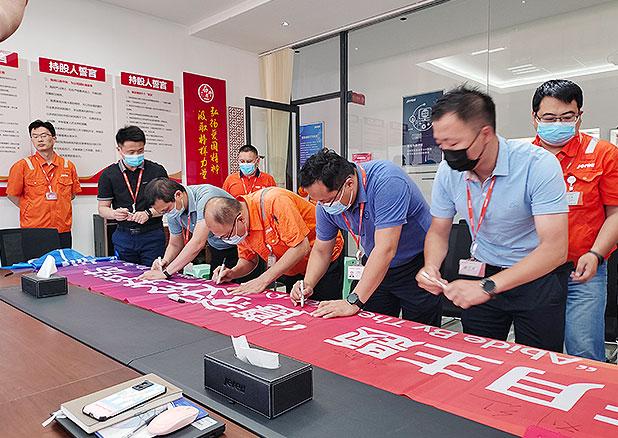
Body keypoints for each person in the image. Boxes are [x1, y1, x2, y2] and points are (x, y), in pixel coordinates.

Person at [416, 85, 570, 352]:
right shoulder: (448, 172)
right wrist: (431, 266)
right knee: (480, 356)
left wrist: (487, 287)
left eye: (454, 144)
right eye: (441, 144)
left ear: (485, 134)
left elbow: (555, 250)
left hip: (535, 276)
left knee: (538, 361)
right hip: (482, 271)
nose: (448, 153)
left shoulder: (538, 165)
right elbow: (439, 231)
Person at [292, 149, 441, 323]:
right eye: (317, 201)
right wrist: (308, 283)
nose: (322, 206)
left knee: (419, 329)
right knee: (369, 324)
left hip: (417, 262)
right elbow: (321, 250)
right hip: (375, 263)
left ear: (349, 184)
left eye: (326, 200)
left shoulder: (387, 181)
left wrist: (352, 301)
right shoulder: (325, 205)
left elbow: (386, 249)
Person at [531, 79, 618, 361]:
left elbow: (615, 213)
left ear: (579, 116)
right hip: (535, 270)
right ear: (535, 118)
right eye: (549, 118)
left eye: (567, 117)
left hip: (583, 271)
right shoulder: (524, 158)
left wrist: (596, 254)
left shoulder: (603, 154)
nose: (558, 124)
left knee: (583, 351)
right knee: (537, 350)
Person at [204, 187, 345, 298]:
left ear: (241, 220)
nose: (227, 240)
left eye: (227, 235)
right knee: (298, 310)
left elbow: (301, 247)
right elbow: (249, 260)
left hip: (322, 257)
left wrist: (262, 280)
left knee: (323, 311)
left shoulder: (275, 202)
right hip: (292, 267)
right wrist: (233, 273)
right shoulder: (240, 227)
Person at [138, 178, 237, 280]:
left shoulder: (206, 198)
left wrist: (166, 273)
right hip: (218, 249)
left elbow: (198, 242)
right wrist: (165, 261)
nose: (167, 214)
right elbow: (175, 244)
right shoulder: (173, 210)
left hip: (240, 249)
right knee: (218, 285)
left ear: (178, 195)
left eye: (167, 209)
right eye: (162, 212)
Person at [97, 126, 167, 267]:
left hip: (152, 235)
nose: (136, 155)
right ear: (119, 150)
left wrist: (148, 213)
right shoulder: (108, 175)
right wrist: (114, 214)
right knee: (126, 276)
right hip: (124, 236)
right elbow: (102, 208)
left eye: (140, 151)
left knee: (155, 274)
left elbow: (168, 205)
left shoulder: (157, 171)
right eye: (131, 152)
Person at [7, 120, 81, 248]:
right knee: (36, 261)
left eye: (43, 135)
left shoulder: (68, 166)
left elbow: (72, 194)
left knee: (63, 261)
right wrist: (30, 208)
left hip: (62, 230)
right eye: (35, 137)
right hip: (34, 229)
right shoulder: (22, 166)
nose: (39, 140)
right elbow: (12, 195)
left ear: (54, 138)